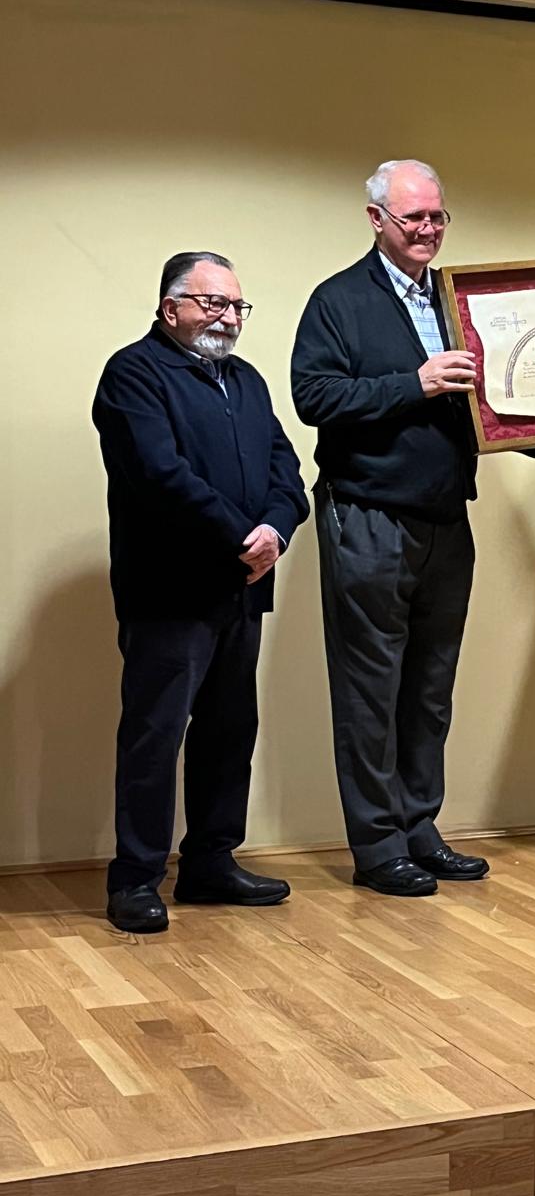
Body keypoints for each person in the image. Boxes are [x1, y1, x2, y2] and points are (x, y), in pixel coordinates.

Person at [291, 159, 535, 898]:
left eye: (438, 218)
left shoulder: (464, 301)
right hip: (365, 514)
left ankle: (419, 828)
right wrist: (415, 383)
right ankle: (377, 846)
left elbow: (496, 404)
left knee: (429, 687)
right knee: (370, 690)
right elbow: (313, 396)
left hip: (444, 516)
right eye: (414, 219)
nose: (429, 231)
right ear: (376, 221)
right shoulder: (337, 301)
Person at [92, 252, 309, 933]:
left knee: (227, 732)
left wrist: (276, 527)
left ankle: (211, 863)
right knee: (156, 734)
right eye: (212, 303)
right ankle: (135, 879)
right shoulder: (133, 373)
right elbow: (159, 476)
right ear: (170, 308)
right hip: (169, 592)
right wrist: (243, 537)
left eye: (237, 306)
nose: (227, 318)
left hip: (241, 590)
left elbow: (285, 466)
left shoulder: (244, 381)